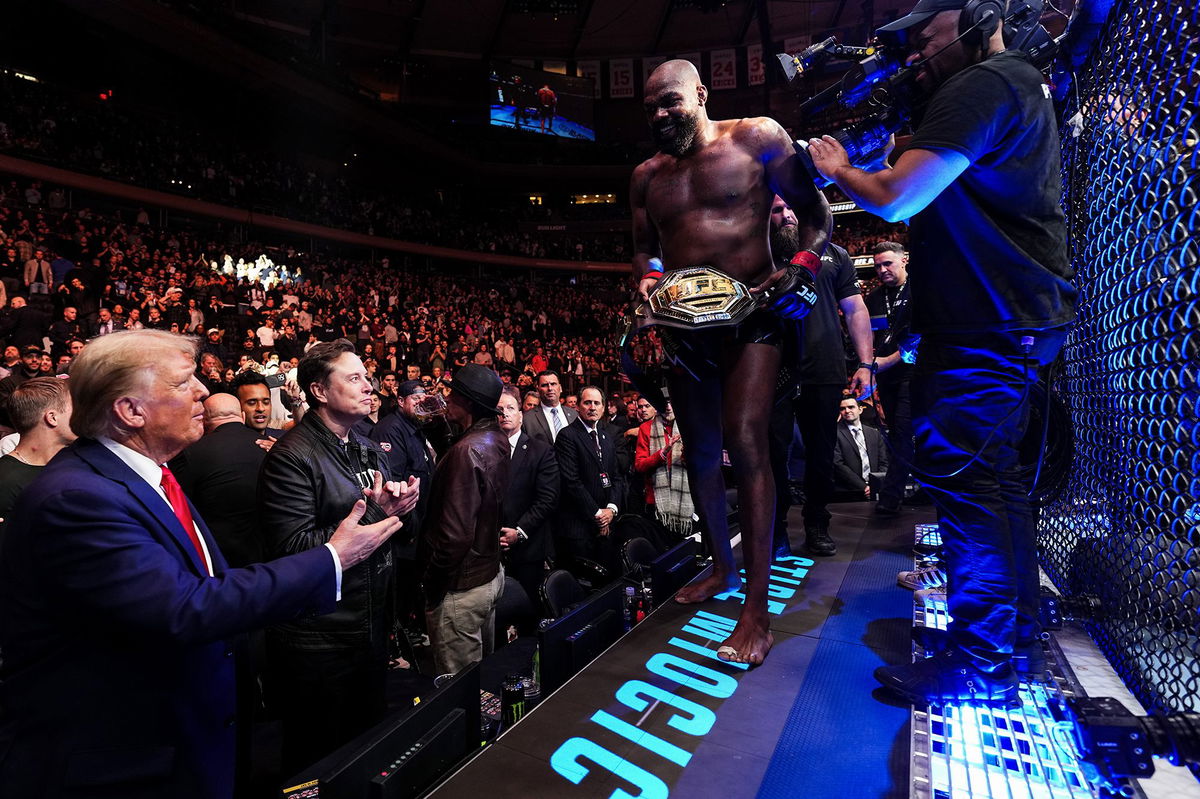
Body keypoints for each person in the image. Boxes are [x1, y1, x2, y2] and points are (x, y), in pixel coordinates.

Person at [0, 330, 403, 799]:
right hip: (119, 761)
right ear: (131, 411)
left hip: (177, 739)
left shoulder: (152, 475)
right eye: (184, 382)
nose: (204, 392)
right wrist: (334, 556)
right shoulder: (78, 498)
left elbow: (207, 580)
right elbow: (184, 607)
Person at [808, 0, 1076, 704]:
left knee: (968, 487)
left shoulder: (983, 84)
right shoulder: (1012, 82)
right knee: (991, 484)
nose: (917, 54)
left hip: (990, 322)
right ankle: (1006, 643)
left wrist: (838, 168)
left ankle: (981, 661)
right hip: (1007, 319)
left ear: (973, 19)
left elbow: (896, 200)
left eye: (925, 36)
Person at [630, 59, 831, 665]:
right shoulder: (646, 176)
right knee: (698, 450)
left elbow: (817, 217)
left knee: (746, 443)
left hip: (754, 316)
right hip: (685, 328)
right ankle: (722, 568)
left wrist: (803, 266)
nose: (661, 115)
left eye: (670, 101)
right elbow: (644, 250)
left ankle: (758, 612)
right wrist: (649, 283)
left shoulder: (758, 137)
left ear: (700, 92)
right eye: (651, 108)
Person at [258, 338, 420, 775]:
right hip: (320, 640)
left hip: (367, 627)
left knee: (363, 750)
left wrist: (398, 505)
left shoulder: (365, 446)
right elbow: (290, 551)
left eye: (368, 377)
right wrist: (377, 518)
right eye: (354, 378)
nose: (370, 386)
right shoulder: (292, 458)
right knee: (318, 760)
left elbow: (382, 521)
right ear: (318, 391)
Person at [767, 195, 875, 557]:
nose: (787, 215)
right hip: (771, 371)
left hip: (824, 368)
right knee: (772, 455)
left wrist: (865, 363)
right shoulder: (758, 252)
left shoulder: (836, 254)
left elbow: (855, 308)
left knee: (821, 455)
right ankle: (776, 528)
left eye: (790, 206)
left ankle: (817, 524)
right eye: (777, 210)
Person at [418, 364, 510, 675]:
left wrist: (431, 586)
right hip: (487, 574)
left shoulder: (467, 451)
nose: (446, 398)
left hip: (460, 589)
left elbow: (454, 536)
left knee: (461, 691)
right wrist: (435, 425)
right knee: (481, 677)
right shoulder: (494, 438)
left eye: (452, 394)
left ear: (467, 403)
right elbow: (461, 452)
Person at [169, 393, 270, 568]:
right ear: (243, 416)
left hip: (222, 563)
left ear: (204, 421)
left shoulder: (190, 453)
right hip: (277, 560)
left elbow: (179, 509)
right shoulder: (273, 447)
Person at [865, 241, 916, 514]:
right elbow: (874, 339)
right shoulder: (873, 298)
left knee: (904, 434)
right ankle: (923, 491)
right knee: (899, 433)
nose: (882, 270)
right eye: (877, 266)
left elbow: (921, 338)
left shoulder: (920, 289)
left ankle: (890, 497)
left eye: (887, 263)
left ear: (904, 259)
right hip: (886, 377)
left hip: (915, 373)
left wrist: (887, 360)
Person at [496, 385, 560, 603]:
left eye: (510, 408)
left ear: (521, 416)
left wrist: (519, 531)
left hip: (527, 547)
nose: (504, 413)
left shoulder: (540, 450)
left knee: (527, 612)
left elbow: (548, 498)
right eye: (499, 409)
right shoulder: (482, 449)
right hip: (490, 550)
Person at [553, 386, 625, 570]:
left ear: (603, 408)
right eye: (587, 402)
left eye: (596, 403)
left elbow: (616, 477)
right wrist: (598, 514)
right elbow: (572, 482)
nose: (592, 407)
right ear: (578, 406)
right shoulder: (567, 436)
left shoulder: (606, 437)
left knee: (606, 584)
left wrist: (611, 509)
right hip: (579, 529)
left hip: (607, 525)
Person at [0, 377, 75, 536]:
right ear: (52, 417)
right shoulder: (6, 481)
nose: (83, 415)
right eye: (75, 408)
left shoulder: (74, 463)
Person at [832, 397, 889, 498]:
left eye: (851, 407)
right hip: (848, 491)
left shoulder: (874, 433)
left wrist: (877, 484)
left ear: (860, 409)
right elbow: (838, 464)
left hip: (875, 490)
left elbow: (883, 462)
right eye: (842, 408)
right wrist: (863, 487)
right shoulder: (834, 433)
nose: (847, 411)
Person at [523, 370, 577, 445]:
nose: (550, 388)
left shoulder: (574, 414)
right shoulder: (527, 419)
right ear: (538, 390)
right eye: (544, 385)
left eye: (553, 384)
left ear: (560, 388)